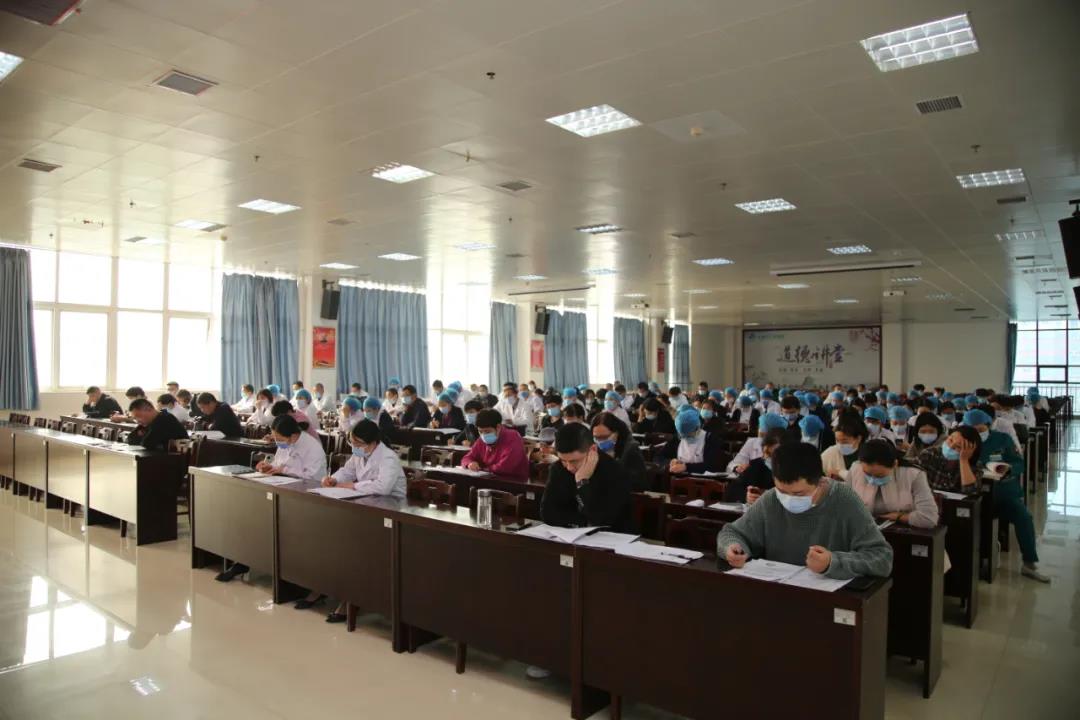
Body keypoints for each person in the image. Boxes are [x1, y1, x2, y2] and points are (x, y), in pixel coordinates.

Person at [717, 442, 894, 579]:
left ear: (820, 482)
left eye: (799, 493)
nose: (788, 498)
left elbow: (882, 558)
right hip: (778, 591)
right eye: (782, 491)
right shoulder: (771, 499)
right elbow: (731, 532)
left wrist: (832, 562)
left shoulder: (845, 500)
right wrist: (732, 548)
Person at [303, 418, 409, 622]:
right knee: (329, 536)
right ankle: (326, 586)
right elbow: (348, 471)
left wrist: (351, 486)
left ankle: (353, 598)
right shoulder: (361, 453)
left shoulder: (388, 458)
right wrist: (334, 479)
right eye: (352, 442)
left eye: (358, 443)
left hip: (390, 510)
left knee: (353, 543)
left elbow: (383, 487)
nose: (355, 447)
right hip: (365, 503)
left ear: (373, 442)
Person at [215, 414, 327, 584]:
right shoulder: (284, 443)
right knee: (248, 514)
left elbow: (314, 478)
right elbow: (279, 463)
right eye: (275, 437)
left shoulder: (313, 448)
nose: (277, 442)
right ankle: (243, 561)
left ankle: (267, 565)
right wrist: (268, 466)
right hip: (281, 489)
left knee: (267, 519)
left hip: (303, 497)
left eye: (279, 438)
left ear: (293, 436)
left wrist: (284, 471)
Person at [962, 409, 1049, 582]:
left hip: (1002, 494)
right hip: (973, 496)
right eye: (973, 430)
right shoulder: (962, 442)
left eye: (980, 429)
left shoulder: (1002, 439)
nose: (977, 433)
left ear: (988, 425)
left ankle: (1029, 563)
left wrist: (1008, 469)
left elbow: (1019, 463)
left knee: (1024, 517)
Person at [540, 423, 632, 532]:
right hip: (571, 535)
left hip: (612, 537)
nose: (569, 467)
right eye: (564, 460)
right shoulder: (558, 468)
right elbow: (547, 513)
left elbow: (602, 520)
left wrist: (582, 483)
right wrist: (584, 523)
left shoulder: (615, 471)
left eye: (574, 461)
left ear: (592, 449)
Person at [848, 440, 938, 528]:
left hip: (901, 531)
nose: (872, 480)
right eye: (867, 474)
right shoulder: (856, 469)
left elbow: (929, 518)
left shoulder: (913, 475)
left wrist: (899, 516)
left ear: (895, 464)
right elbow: (844, 506)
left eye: (880, 475)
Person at [460, 409, 529, 480]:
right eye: (480, 431)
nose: (483, 435)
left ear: (498, 427)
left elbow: (505, 467)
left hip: (512, 481)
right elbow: (467, 458)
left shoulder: (513, 437)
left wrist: (482, 469)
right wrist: (470, 463)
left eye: (487, 431)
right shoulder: (481, 439)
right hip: (488, 478)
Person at [724, 428, 787, 503]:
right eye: (767, 454)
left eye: (775, 455)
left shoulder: (794, 471)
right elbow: (731, 491)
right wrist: (746, 496)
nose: (768, 458)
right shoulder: (757, 465)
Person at [658, 407, 727, 475]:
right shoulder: (677, 440)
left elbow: (715, 466)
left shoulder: (710, 439)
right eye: (683, 436)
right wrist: (670, 461)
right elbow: (658, 457)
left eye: (689, 435)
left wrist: (686, 467)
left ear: (697, 428)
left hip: (702, 480)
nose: (686, 438)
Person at [590, 412, 647, 492]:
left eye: (605, 437)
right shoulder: (592, 448)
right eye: (596, 438)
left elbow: (638, 483)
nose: (600, 442)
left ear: (617, 433)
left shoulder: (631, 449)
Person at [917, 425, 982, 495]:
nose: (951, 446)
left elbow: (972, 492)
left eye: (958, 446)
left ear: (970, 452)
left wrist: (964, 460)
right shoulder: (929, 454)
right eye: (950, 440)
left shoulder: (973, 465)